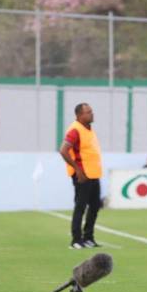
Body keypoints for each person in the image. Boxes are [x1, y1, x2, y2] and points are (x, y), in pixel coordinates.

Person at [59, 103, 103, 250]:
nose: (92, 114)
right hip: (82, 176)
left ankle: (88, 237)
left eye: (91, 111)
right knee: (80, 207)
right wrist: (77, 170)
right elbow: (64, 150)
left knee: (95, 206)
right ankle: (76, 240)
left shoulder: (89, 130)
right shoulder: (75, 130)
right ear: (79, 115)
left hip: (94, 174)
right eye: (88, 112)